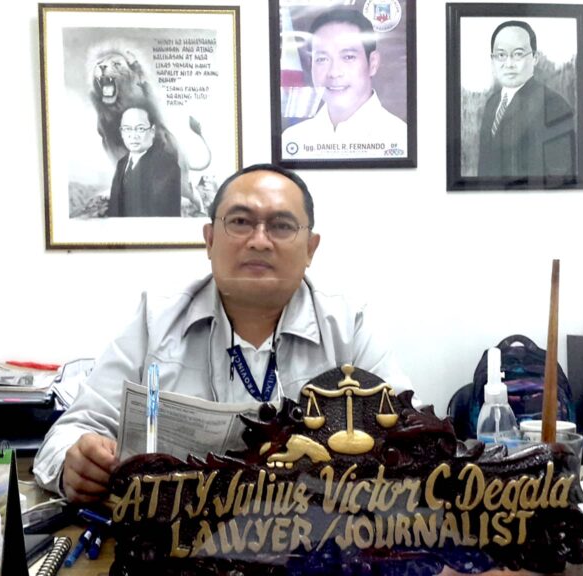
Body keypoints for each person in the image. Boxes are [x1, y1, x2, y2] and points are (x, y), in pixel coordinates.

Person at [33, 163, 410, 503]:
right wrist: (74, 464)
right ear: (210, 240)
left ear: (310, 249)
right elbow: (71, 432)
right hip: (177, 540)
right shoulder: (156, 321)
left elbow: (413, 436)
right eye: (241, 222)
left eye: (281, 226)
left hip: (312, 538)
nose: (259, 240)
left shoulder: (347, 327)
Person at [281, 8, 407, 159]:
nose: (334, 72)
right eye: (322, 59)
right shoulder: (293, 140)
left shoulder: (399, 137)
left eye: (348, 57)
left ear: (373, 63)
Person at [477, 20, 575, 181]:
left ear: (535, 57)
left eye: (518, 54)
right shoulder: (492, 104)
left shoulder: (554, 105)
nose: (509, 64)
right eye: (501, 55)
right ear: (492, 60)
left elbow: (559, 179)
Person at [107, 104, 182, 217]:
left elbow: (161, 214)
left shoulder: (166, 165)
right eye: (127, 129)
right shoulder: (122, 164)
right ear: (121, 132)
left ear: (152, 131)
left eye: (140, 129)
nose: (133, 135)